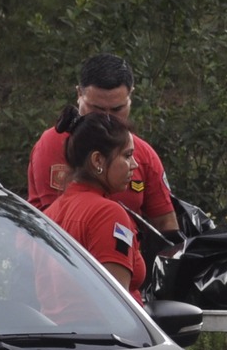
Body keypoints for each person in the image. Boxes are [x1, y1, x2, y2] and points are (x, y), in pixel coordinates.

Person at [27, 53, 177, 240]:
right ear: (79, 95)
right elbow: (62, 221)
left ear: (130, 97)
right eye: (97, 109)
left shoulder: (144, 155)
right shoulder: (54, 144)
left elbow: (166, 224)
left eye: (116, 109)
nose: (107, 119)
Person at [43, 112, 144, 295]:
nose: (135, 164)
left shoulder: (47, 215)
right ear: (98, 160)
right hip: (99, 323)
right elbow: (117, 305)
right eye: (127, 155)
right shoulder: (109, 214)